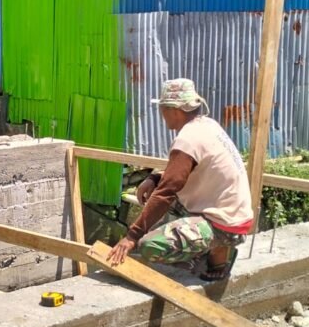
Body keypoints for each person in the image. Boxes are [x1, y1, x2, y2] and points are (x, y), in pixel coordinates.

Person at [106, 78, 253, 282]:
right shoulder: (206, 125)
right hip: (235, 216)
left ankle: (210, 254)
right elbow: (178, 173)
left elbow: (166, 192)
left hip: (224, 224)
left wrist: (132, 237)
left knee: (150, 246)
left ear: (174, 110)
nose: (161, 115)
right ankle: (217, 252)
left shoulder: (188, 139)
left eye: (163, 109)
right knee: (163, 201)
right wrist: (154, 177)